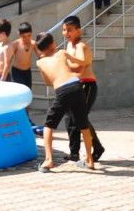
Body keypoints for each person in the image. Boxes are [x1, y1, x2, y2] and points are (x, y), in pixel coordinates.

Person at [34, 32, 95, 172]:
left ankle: (48, 160)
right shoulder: (61, 52)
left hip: (62, 90)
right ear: (53, 44)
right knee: (83, 124)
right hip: (76, 85)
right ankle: (90, 160)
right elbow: (79, 63)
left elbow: (48, 82)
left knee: (49, 125)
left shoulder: (40, 62)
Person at [62, 15, 104, 164]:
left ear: (78, 31)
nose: (66, 33)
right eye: (64, 30)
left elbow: (82, 63)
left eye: (70, 30)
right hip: (73, 85)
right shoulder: (68, 46)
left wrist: (67, 59)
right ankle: (74, 152)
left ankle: (97, 147)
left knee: (81, 118)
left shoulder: (82, 46)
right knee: (69, 118)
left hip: (87, 85)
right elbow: (72, 67)